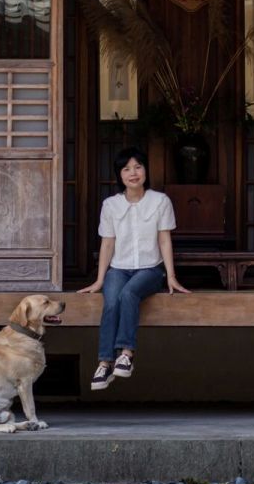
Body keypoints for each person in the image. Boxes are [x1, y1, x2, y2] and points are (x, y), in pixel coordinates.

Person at [78, 146, 190, 390]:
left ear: (146, 171)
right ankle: (105, 363)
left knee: (129, 294)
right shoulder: (110, 205)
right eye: (126, 169)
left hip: (150, 269)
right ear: (120, 175)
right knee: (111, 301)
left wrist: (171, 276)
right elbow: (107, 244)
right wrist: (99, 280)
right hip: (119, 268)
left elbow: (164, 240)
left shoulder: (160, 201)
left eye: (138, 167)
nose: (133, 173)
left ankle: (126, 354)